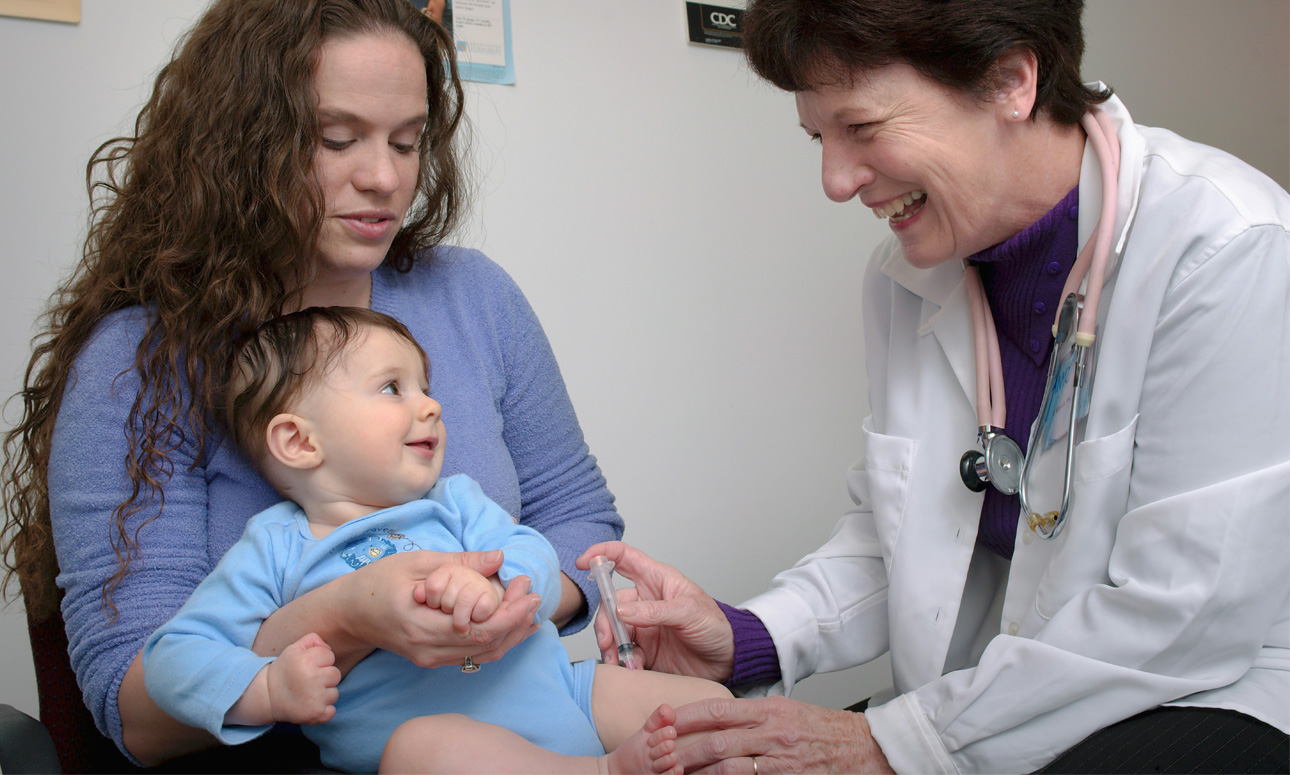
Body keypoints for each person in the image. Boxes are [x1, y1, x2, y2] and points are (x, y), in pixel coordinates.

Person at [577, 1, 1290, 773]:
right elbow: (896, 535)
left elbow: (1185, 612)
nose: (835, 181)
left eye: (861, 127)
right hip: (1001, 701)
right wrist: (748, 636)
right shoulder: (905, 278)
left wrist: (891, 744)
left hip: (1218, 692)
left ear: (1011, 81)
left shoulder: (1225, 246)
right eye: (819, 138)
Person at [0, 0, 622, 769]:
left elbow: (579, 515)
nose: (385, 177)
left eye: (407, 141)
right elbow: (136, 712)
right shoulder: (140, 361)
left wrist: (506, 599)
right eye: (336, 139)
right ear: (241, 143)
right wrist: (349, 619)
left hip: (524, 722)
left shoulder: (476, 298)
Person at [143, 307, 727, 774]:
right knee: (423, 748)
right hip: (436, 748)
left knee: (712, 709)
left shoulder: (455, 501)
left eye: (424, 387)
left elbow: (533, 553)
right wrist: (267, 687)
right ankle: (601, 771)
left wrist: (498, 584)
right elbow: (173, 657)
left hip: (566, 692)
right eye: (392, 388)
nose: (431, 405)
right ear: (299, 442)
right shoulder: (275, 547)